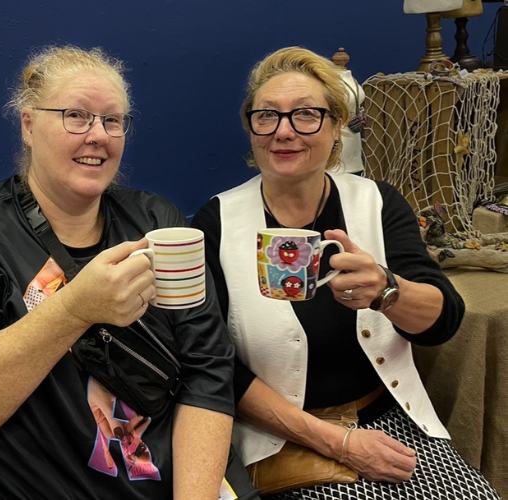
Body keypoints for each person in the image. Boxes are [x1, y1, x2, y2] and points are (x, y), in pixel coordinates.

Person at [0, 45, 239, 500]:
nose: (97, 135)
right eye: (75, 116)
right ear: (28, 125)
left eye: (112, 120)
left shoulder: (158, 223)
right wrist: (75, 308)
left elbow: (209, 372)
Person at [191, 46, 500, 499]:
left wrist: (387, 290)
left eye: (306, 115)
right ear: (250, 128)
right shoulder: (217, 222)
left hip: (388, 420)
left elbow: (444, 320)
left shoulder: (376, 202)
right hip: (285, 439)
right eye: (267, 116)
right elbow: (214, 369)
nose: (284, 131)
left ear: (337, 127)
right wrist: (340, 443)